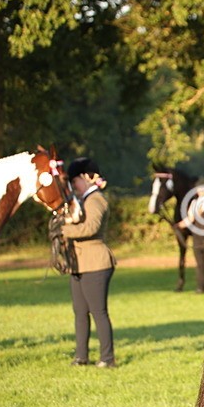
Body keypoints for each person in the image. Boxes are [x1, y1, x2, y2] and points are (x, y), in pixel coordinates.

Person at [62, 157, 117, 367]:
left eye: (75, 180)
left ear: (85, 178)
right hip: (80, 263)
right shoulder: (83, 201)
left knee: (98, 312)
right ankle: (81, 356)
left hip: (96, 262)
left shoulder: (95, 200)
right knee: (80, 312)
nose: (73, 185)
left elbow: (91, 228)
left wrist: (63, 230)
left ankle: (107, 358)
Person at [178, 180, 204, 293]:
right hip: (197, 236)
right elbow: (190, 219)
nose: (200, 191)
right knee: (199, 263)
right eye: (199, 188)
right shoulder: (194, 203)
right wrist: (178, 225)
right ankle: (200, 287)